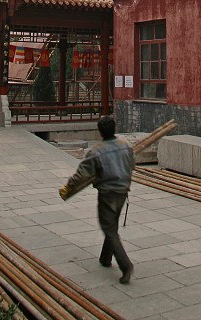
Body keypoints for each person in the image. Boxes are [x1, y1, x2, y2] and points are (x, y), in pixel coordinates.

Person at [59, 115, 135, 283]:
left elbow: (82, 174)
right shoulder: (125, 146)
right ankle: (105, 258)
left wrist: (68, 187)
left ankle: (125, 265)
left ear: (100, 132)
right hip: (123, 190)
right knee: (111, 224)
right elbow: (131, 165)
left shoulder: (97, 151)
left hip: (108, 192)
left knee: (109, 228)